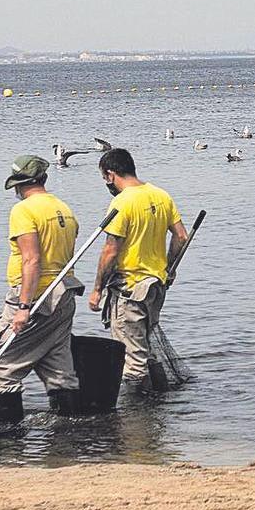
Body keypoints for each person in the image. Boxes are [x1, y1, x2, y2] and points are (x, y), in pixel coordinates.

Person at [0, 155, 84, 422]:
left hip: (35, 296)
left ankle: (9, 439)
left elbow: (32, 260)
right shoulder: (63, 208)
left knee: (2, 367)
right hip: (64, 294)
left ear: (19, 184)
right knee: (58, 366)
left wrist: (24, 307)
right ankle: (69, 432)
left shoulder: (24, 210)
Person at [88, 148, 188, 392]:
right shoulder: (161, 195)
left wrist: (97, 289)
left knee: (131, 362)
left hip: (130, 289)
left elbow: (111, 250)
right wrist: (168, 268)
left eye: (104, 178)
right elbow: (181, 237)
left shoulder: (122, 202)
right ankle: (160, 409)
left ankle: (137, 422)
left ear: (111, 174)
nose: (106, 183)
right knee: (146, 350)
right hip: (155, 285)